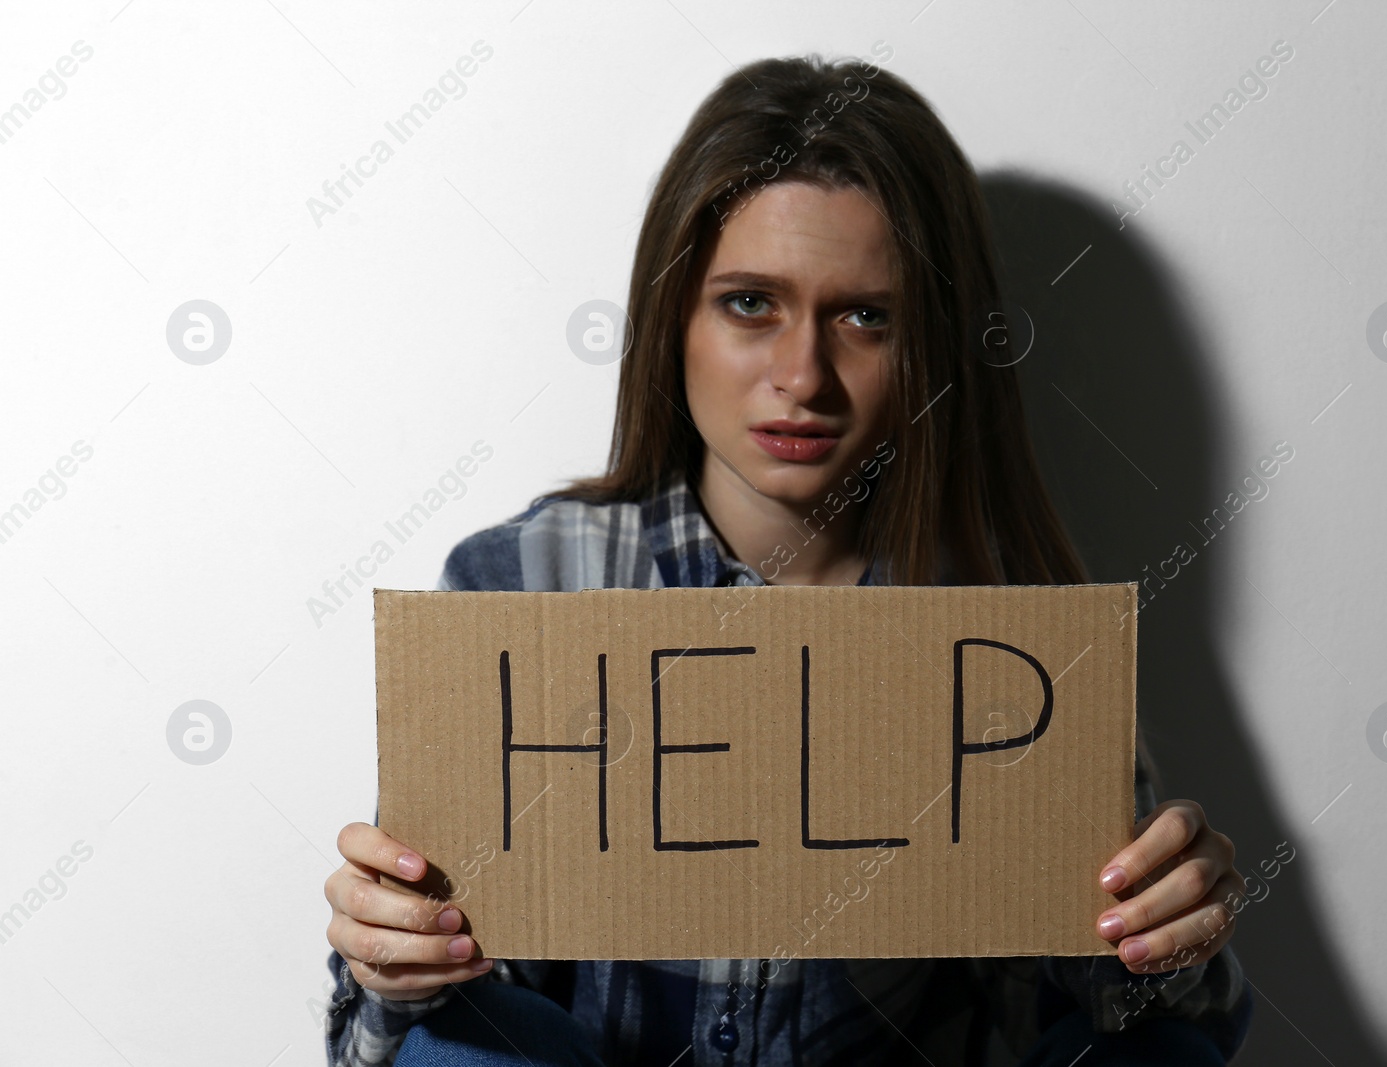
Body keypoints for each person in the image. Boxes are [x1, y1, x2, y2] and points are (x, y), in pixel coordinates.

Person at [323, 52, 1253, 1066]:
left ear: (929, 347)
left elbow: (1161, 1018)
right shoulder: (520, 584)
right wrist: (391, 960)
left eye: (865, 316)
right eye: (750, 303)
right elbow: (388, 1036)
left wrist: (1168, 935)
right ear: (673, 314)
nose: (802, 376)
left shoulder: (1010, 633)